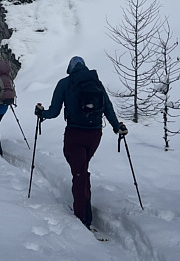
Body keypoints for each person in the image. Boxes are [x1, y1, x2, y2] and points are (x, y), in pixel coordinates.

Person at [34, 56, 127, 229]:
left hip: (75, 133)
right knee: (82, 169)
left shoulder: (64, 83)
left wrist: (41, 113)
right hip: (95, 134)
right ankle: (85, 207)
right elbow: (108, 107)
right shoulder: (96, 82)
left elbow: (54, 112)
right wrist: (117, 127)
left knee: (78, 173)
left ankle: (82, 217)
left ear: (70, 69)